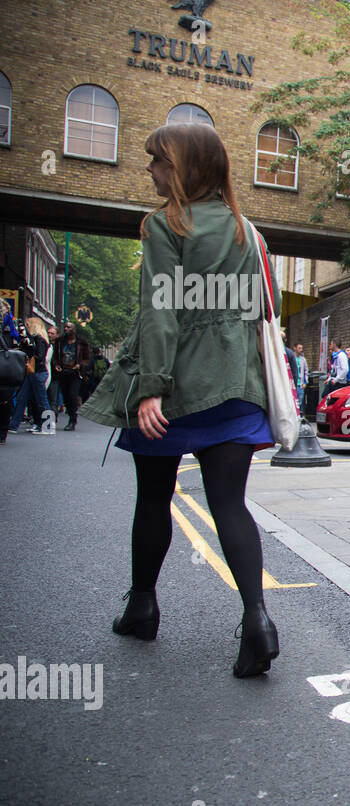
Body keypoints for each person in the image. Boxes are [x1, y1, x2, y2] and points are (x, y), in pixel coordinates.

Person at [81, 121, 281, 679]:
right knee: (229, 506)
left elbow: (161, 313)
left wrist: (150, 389)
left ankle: (142, 605)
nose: (150, 170)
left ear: (185, 167)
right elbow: (259, 312)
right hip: (239, 389)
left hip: (177, 391)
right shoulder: (250, 232)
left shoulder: (165, 225)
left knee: (153, 500)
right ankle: (257, 620)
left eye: (158, 161)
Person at [10, 317, 52, 434]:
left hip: (38, 373)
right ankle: (13, 425)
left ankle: (48, 426)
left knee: (41, 400)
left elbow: (40, 356)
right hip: (33, 373)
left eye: (28, 325)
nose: (26, 328)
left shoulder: (39, 340)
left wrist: (27, 356)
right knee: (22, 398)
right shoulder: (35, 340)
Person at [52, 319, 91, 429]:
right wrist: (56, 364)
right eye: (65, 327)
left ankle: (72, 420)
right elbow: (55, 357)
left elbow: (87, 359)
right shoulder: (60, 342)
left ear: (74, 329)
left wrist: (80, 365)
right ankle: (70, 414)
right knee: (66, 397)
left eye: (68, 327)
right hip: (63, 373)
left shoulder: (82, 343)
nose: (66, 329)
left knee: (72, 395)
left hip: (75, 374)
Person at [293, 342, 308, 408]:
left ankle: (300, 415)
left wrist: (305, 382)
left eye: (301, 348)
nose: (301, 350)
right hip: (293, 384)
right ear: (294, 348)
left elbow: (306, 371)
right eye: (299, 348)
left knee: (300, 401)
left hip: (300, 384)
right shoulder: (291, 358)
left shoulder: (303, 359)